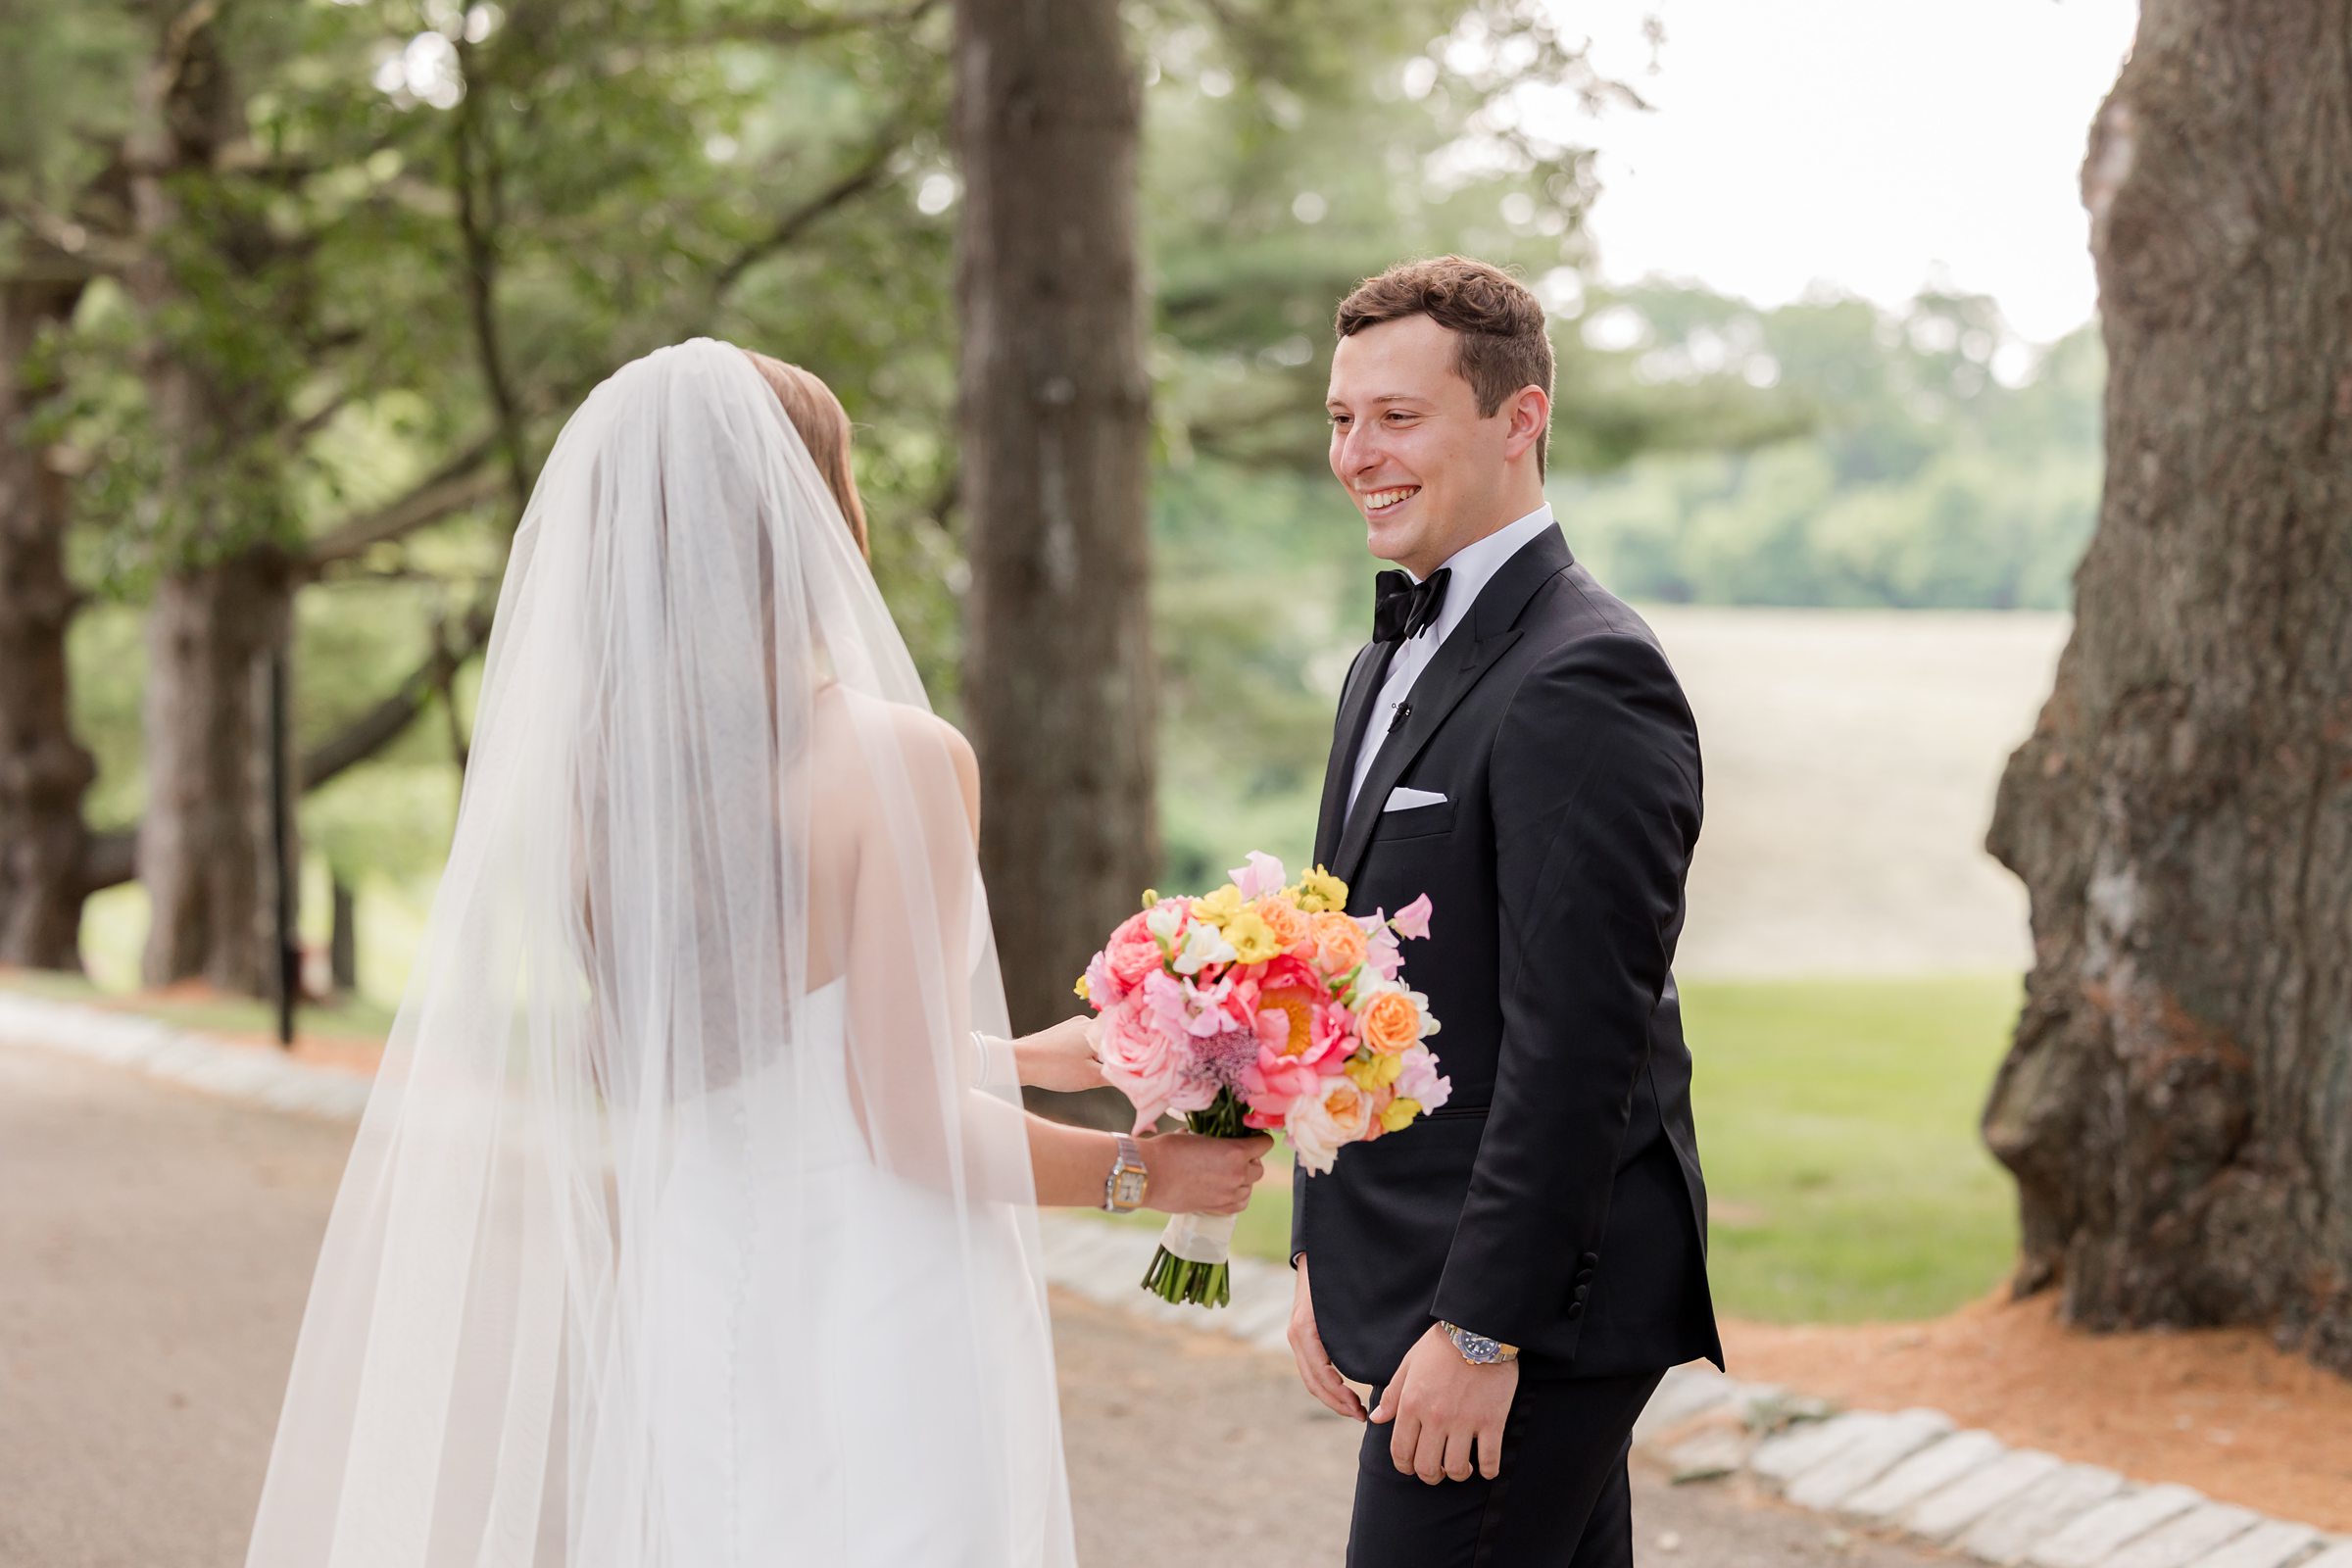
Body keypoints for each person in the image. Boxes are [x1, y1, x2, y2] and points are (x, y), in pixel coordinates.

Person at [244, 339, 1267, 1567]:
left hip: (698, 1284)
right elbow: (903, 1125)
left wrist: (1038, 1058)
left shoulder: (605, 785)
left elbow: (780, 1053)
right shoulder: (896, 759)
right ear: (806, 515)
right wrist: (1142, 1175)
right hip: (881, 1290)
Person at [1286, 257, 1723, 1568]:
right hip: (1415, 1274)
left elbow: (1578, 1045)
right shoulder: (1384, 663)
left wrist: (1484, 1332)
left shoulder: (1585, 671)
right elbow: (1345, 987)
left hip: (1531, 1318)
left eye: (1398, 418)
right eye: (1341, 418)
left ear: (1519, 418)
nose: (1357, 453)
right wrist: (1317, 1253)